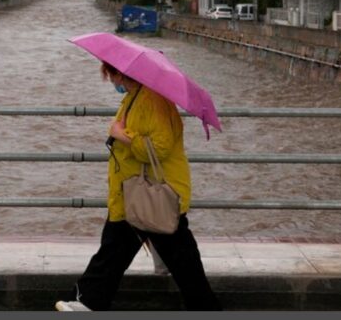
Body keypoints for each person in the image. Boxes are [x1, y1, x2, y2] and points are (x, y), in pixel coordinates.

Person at [56, 62, 221, 311]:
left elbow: (160, 148)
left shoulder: (152, 101)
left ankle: (87, 302)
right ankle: (87, 302)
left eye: (111, 75)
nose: (112, 82)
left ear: (121, 73)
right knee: (128, 252)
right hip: (139, 193)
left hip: (151, 194)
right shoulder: (137, 96)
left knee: (170, 258)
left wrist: (122, 136)